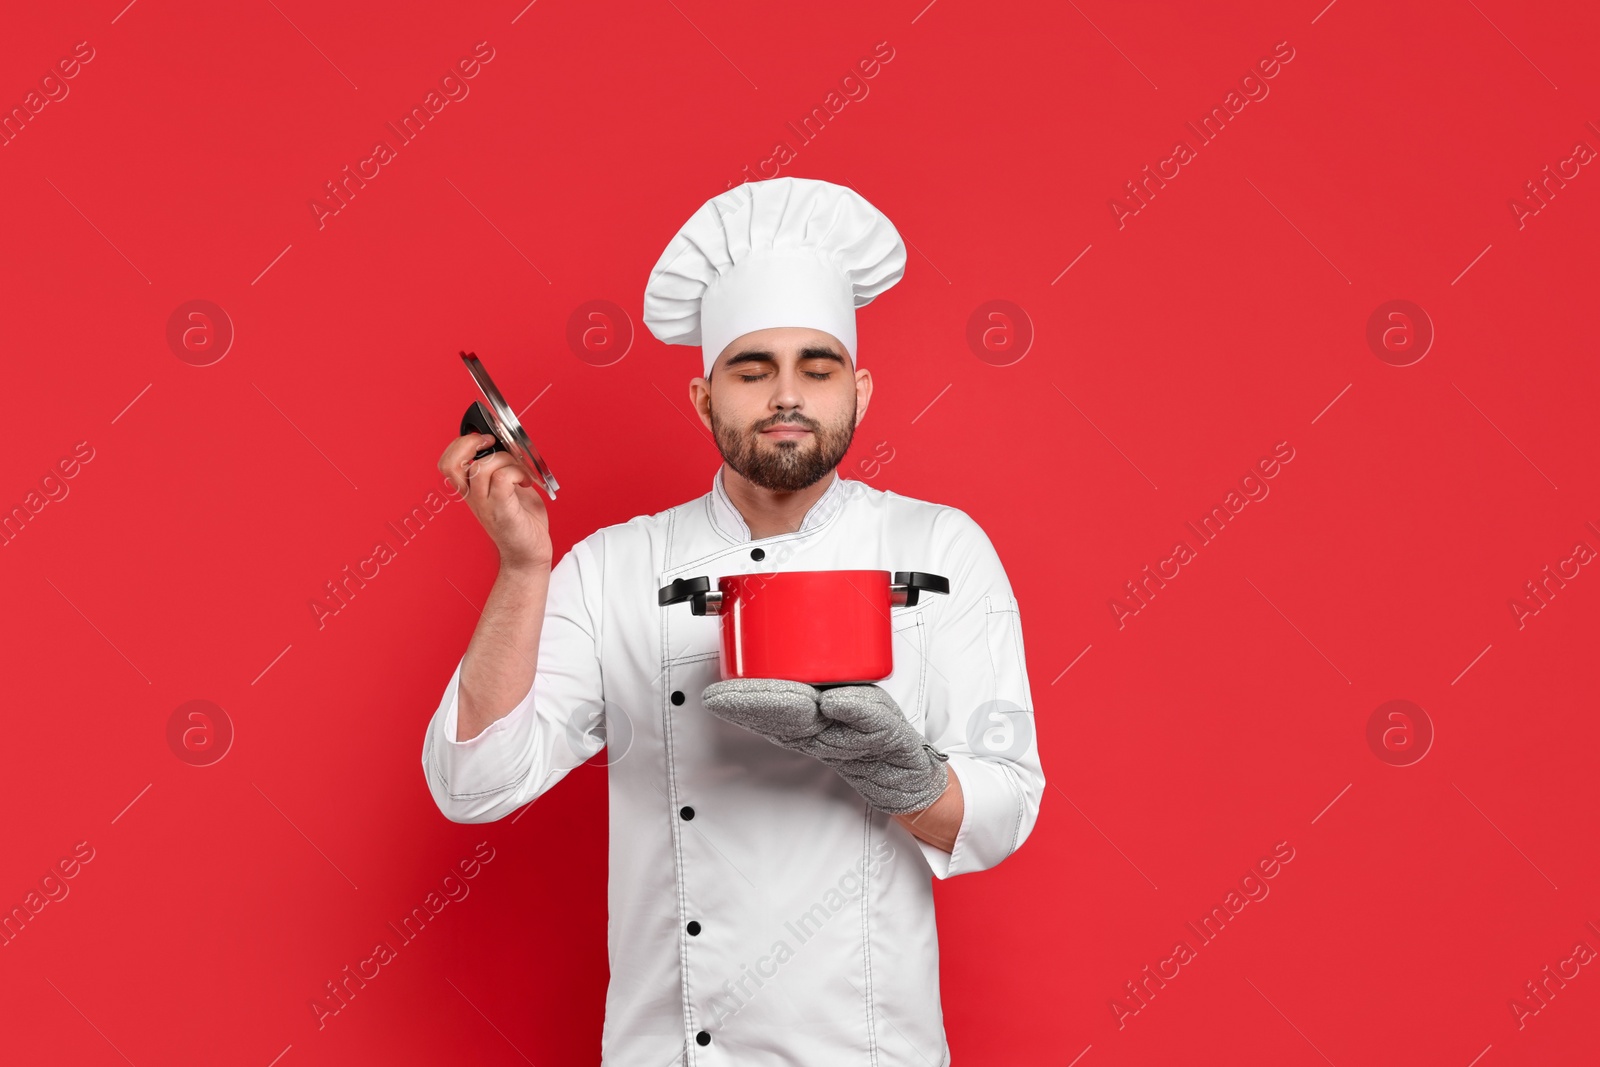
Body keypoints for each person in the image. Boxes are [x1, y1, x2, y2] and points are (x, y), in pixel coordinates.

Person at [423, 176, 1044, 1065]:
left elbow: (1007, 806)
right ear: (704, 397)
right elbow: (472, 783)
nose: (786, 394)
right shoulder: (614, 566)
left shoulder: (942, 546)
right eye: (751, 370)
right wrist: (525, 568)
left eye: (816, 367)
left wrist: (899, 771)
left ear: (860, 392)